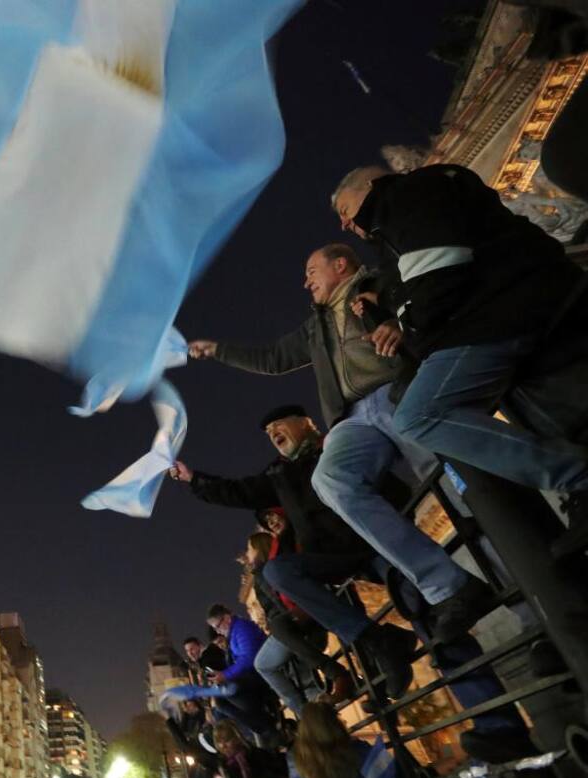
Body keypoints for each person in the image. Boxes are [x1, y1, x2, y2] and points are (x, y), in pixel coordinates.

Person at [186, 244, 495, 642]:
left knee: (453, 483)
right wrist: (219, 351)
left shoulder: (379, 283)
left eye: (311, 271)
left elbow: (423, 300)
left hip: (399, 389)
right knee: (329, 480)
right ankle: (448, 585)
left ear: (341, 265)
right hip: (352, 416)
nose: (305, 281)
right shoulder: (316, 326)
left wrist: (397, 323)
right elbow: (274, 357)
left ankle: (519, 583)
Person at [331, 164, 588, 521]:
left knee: (417, 415)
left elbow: (437, 277)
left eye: (344, 210)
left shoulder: (409, 194)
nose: (344, 223)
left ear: (372, 185)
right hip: (492, 311)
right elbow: (410, 286)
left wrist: (409, 324)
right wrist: (386, 303)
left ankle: (576, 476)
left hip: (501, 312)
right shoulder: (394, 227)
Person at [170, 405, 416, 696]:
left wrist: (399, 526)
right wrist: (193, 479)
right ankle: (378, 641)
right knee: (279, 571)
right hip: (332, 558)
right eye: (268, 433)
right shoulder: (279, 473)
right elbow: (238, 491)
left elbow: (393, 487)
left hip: (374, 541)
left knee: (414, 593)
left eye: (278, 425)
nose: (273, 434)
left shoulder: (338, 444)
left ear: (306, 424)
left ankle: (441, 658)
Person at [244, 531, 352, 714]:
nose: (246, 554)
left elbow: (278, 603)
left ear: (257, 549)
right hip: (293, 627)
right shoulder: (265, 571)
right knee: (305, 677)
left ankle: (306, 715)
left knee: (264, 664)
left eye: (248, 549)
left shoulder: (266, 572)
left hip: (294, 626)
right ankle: (313, 716)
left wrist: (278, 625)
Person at [205, 604, 282, 744]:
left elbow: (249, 657)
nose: (218, 631)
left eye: (217, 626)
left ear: (227, 618)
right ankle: (265, 727)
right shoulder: (233, 633)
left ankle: (268, 727)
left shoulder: (241, 629)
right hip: (250, 676)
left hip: (260, 674)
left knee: (229, 690)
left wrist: (225, 675)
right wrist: (222, 675)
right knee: (220, 702)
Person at [288, 703, 389, 778]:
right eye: (339, 718)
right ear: (334, 726)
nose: (344, 721)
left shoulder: (294, 760)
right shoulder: (358, 750)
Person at [214, 720, 289, 778]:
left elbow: (272, 777)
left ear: (237, 738)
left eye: (226, 740)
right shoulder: (224, 765)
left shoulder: (255, 754)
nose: (223, 746)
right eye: (219, 742)